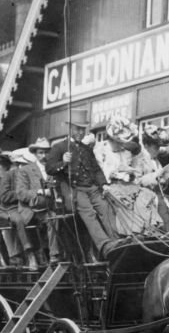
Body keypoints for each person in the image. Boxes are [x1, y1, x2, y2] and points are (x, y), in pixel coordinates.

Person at [45, 109, 120, 259]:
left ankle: (117, 241)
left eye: (82, 129)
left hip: (92, 187)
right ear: (70, 128)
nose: (80, 132)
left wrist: (103, 184)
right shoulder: (59, 147)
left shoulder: (87, 149)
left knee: (106, 208)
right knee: (88, 212)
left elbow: (96, 169)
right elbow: (49, 168)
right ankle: (104, 245)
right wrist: (63, 162)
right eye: (77, 129)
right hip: (73, 190)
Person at [95, 116, 161, 235]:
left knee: (146, 195)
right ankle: (131, 233)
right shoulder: (101, 149)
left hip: (127, 184)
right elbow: (98, 172)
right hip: (109, 186)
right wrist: (116, 173)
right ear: (111, 138)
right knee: (125, 200)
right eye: (118, 141)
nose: (121, 144)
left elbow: (135, 171)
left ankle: (148, 230)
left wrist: (130, 173)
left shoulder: (126, 151)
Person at [20, 137, 60, 265]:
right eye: (40, 153)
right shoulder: (26, 170)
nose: (44, 156)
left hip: (52, 206)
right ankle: (54, 255)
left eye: (46, 152)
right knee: (53, 218)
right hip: (33, 209)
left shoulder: (54, 169)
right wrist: (39, 192)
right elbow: (20, 193)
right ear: (35, 154)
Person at [134, 125, 169, 236]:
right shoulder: (139, 159)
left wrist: (165, 180)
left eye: (159, 148)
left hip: (158, 193)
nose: (158, 150)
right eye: (155, 147)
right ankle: (167, 235)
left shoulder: (157, 160)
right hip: (144, 195)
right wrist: (154, 177)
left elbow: (161, 180)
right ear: (146, 145)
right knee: (162, 204)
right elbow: (136, 181)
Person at [5, 148, 43, 268]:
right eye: (22, 164)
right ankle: (30, 253)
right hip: (12, 207)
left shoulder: (32, 174)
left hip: (30, 205)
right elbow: (4, 196)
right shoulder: (9, 175)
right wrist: (22, 194)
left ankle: (43, 251)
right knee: (21, 220)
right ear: (17, 164)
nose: (25, 167)